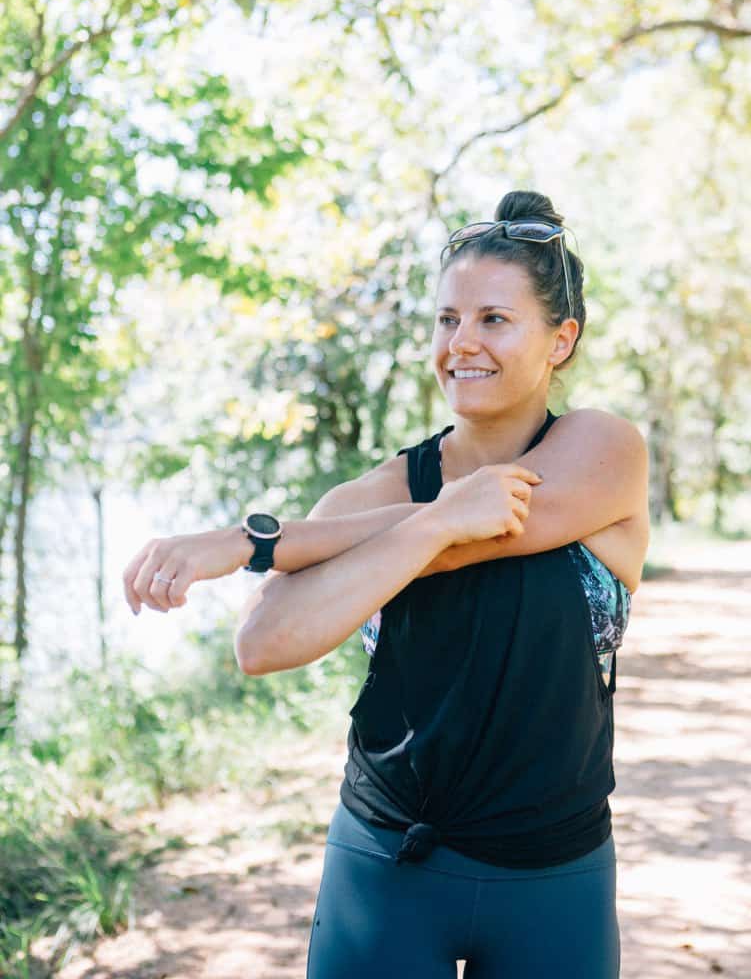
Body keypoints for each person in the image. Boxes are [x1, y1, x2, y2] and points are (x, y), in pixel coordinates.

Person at [122, 189, 648, 978]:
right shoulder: (371, 494)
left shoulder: (600, 449)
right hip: (385, 866)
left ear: (560, 341)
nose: (460, 343)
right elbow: (263, 644)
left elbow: (491, 531)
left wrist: (252, 541)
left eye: (493, 319)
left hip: (554, 877)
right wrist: (435, 518)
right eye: (446, 319)